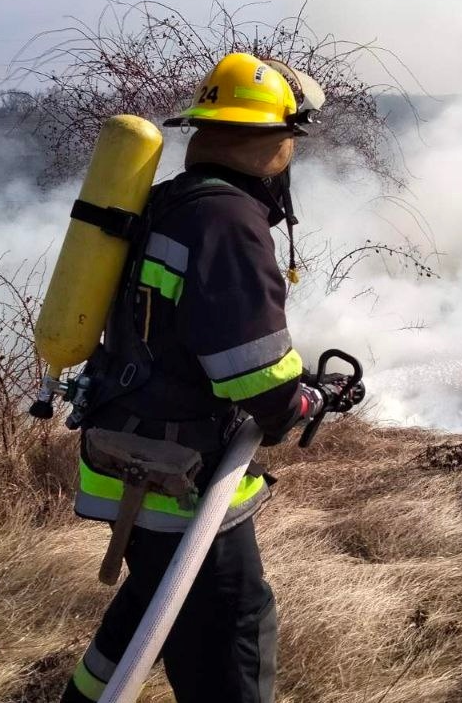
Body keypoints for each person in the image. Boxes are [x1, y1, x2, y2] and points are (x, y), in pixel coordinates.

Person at [60, 52, 346, 703]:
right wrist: (304, 400)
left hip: (127, 450)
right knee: (231, 628)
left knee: (152, 603)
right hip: (181, 481)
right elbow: (261, 383)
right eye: (293, 137)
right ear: (274, 140)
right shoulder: (228, 223)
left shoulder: (169, 203)